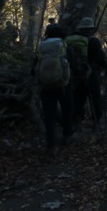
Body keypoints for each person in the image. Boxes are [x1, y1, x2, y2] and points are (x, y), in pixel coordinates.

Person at [32, 22, 74, 155]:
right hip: (63, 85)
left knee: (49, 116)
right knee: (67, 110)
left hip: (45, 86)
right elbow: (74, 65)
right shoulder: (65, 47)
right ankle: (67, 136)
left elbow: (33, 69)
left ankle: (51, 146)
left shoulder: (41, 48)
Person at [66, 17, 107, 131]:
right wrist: (105, 65)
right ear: (91, 29)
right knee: (95, 98)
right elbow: (100, 58)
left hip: (74, 75)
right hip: (91, 75)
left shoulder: (70, 40)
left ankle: (76, 122)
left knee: (78, 98)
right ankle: (97, 123)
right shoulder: (94, 41)